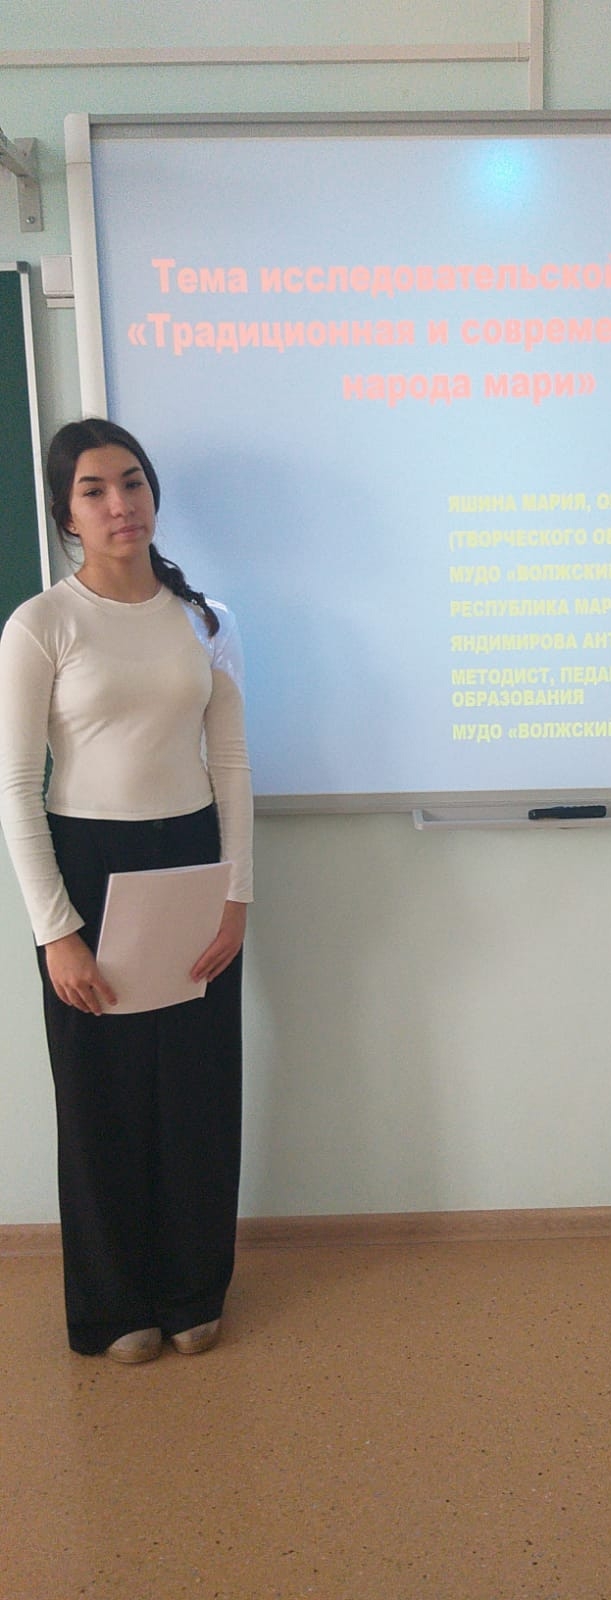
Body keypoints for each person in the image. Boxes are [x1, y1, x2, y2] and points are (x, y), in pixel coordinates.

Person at [0, 417, 253, 1363]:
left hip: (192, 856)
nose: (120, 505)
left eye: (133, 482)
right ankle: (114, 1306)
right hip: (88, 863)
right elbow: (14, 785)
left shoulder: (204, 619)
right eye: (95, 490)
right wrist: (55, 930)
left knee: (196, 1088)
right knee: (100, 1097)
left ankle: (193, 1287)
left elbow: (231, 762)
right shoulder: (41, 624)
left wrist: (237, 895)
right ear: (66, 514)